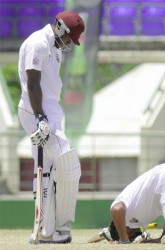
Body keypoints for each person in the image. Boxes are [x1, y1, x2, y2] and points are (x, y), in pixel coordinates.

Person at [17, 10, 85, 244]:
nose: (68, 43)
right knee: (68, 163)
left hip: (51, 113)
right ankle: (59, 229)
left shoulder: (54, 47)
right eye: (68, 38)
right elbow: (33, 84)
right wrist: (40, 118)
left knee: (47, 167)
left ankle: (46, 231)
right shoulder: (38, 43)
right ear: (59, 27)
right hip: (36, 110)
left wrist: (48, 117)